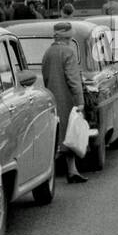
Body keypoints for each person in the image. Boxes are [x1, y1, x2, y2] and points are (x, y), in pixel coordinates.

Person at [41, 21, 89, 183]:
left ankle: (71, 170)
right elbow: (73, 79)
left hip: (52, 99)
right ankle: (67, 172)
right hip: (67, 100)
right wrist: (80, 101)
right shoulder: (68, 52)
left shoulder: (48, 53)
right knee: (70, 135)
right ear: (68, 36)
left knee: (58, 137)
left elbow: (46, 77)